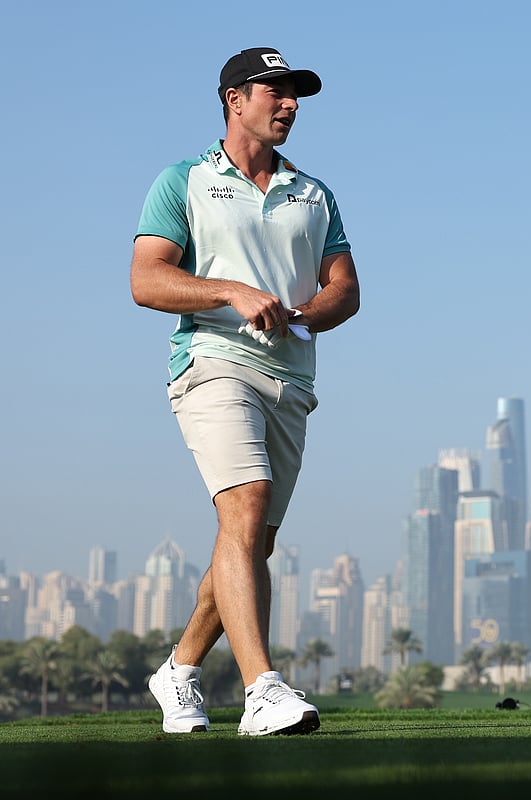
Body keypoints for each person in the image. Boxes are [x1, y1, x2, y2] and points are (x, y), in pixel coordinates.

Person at [131, 47, 360, 736]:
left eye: (295, 96)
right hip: (211, 361)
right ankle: (263, 690)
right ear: (235, 99)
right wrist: (231, 290)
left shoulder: (314, 193)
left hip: (291, 377)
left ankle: (178, 671)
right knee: (248, 506)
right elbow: (148, 280)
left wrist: (307, 314)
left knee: (249, 538)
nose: (289, 105)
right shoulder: (184, 181)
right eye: (276, 92)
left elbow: (345, 288)